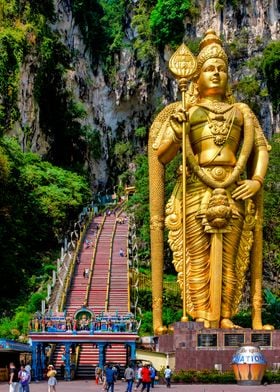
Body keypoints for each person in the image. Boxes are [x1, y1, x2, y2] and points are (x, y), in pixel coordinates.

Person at [149, 29, 273, 331]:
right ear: (196, 77)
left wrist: (256, 180)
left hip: (234, 188)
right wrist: (178, 132)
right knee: (197, 257)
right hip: (195, 189)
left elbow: (260, 148)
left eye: (221, 68)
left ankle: (227, 314)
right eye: (209, 69)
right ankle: (203, 314)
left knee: (231, 258)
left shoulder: (241, 111)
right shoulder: (186, 111)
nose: (216, 73)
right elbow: (161, 155)